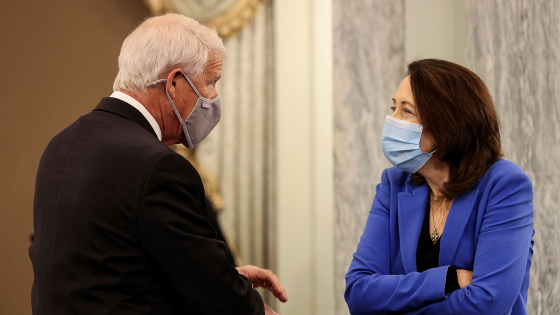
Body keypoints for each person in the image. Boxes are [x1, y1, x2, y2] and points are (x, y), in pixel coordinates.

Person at [30, 14, 287, 315]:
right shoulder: (157, 167)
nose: (214, 96)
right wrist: (238, 296)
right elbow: (222, 303)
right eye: (211, 82)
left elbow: (104, 269)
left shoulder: (61, 145)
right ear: (175, 83)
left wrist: (225, 276)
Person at [345, 59, 534, 315]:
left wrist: (393, 306)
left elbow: (488, 304)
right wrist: (447, 280)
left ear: (447, 124)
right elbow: (358, 292)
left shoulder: (504, 185)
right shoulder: (394, 183)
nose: (392, 119)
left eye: (406, 111)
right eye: (393, 108)